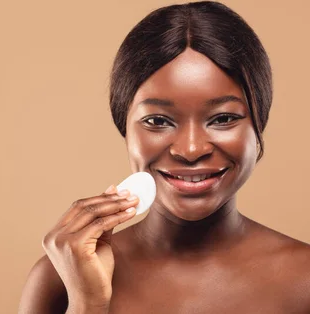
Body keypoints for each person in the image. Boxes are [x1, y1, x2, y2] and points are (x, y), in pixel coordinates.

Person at [17, 1, 310, 313]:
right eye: (158, 121)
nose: (191, 150)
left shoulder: (304, 281)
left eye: (223, 119)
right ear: (125, 129)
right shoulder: (59, 278)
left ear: (258, 125)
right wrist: (88, 304)